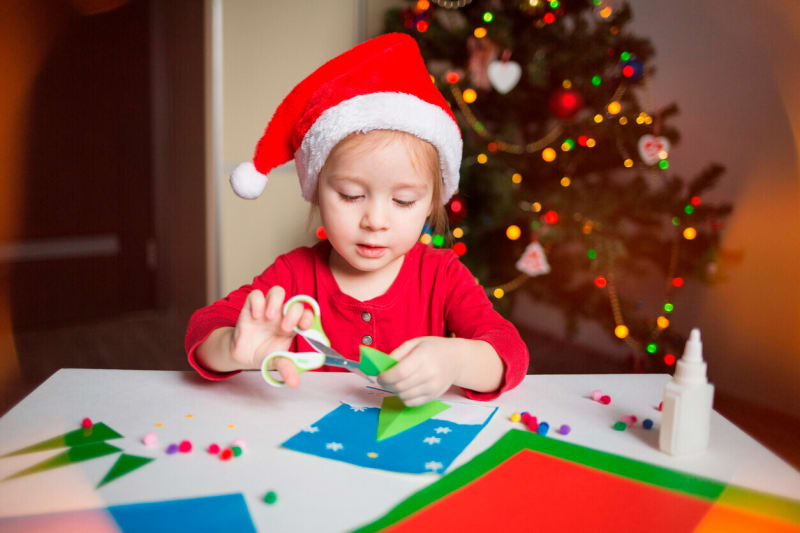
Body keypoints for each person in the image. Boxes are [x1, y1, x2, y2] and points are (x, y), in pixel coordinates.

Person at [185, 33, 529, 406]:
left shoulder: (441, 276)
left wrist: (458, 360)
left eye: (403, 200)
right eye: (351, 195)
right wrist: (231, 348)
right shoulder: (293, 275)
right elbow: (203, 329)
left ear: (431, 202)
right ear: (316, 191)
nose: (375, 221)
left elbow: (510, 352)